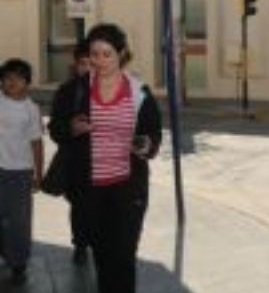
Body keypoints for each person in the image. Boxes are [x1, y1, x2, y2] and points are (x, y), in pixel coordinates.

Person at [47, 23, 162, 293]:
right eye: (94, 54)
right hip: (89, 190)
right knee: (102, 256)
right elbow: (56, 129)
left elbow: (153, 136)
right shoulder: (73, 91)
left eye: (107, 54)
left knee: (124, 255)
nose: (99, 61)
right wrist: (71, 128)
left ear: (121, 54)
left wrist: (145, 145)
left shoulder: (139, 93)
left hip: (128, 189)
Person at [0, 59, 44, 286]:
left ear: (27, 82)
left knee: (19, 221)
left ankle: (18, 263)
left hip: (19, 173)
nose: (11, 82)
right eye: (6, 78)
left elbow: (37, 143)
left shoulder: (31, 109)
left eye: (17, 78)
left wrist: (39, 174)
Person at [48, 40, 92, 265]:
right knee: (81, 207)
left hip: (108, 164)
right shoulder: (67, 91)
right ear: (76, 64)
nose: (89, 69)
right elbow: (55, 129)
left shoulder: (119, 89)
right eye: (84, 63)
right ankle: (81, 244)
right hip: (78, 163)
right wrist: (71, 128)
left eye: (93, 63)